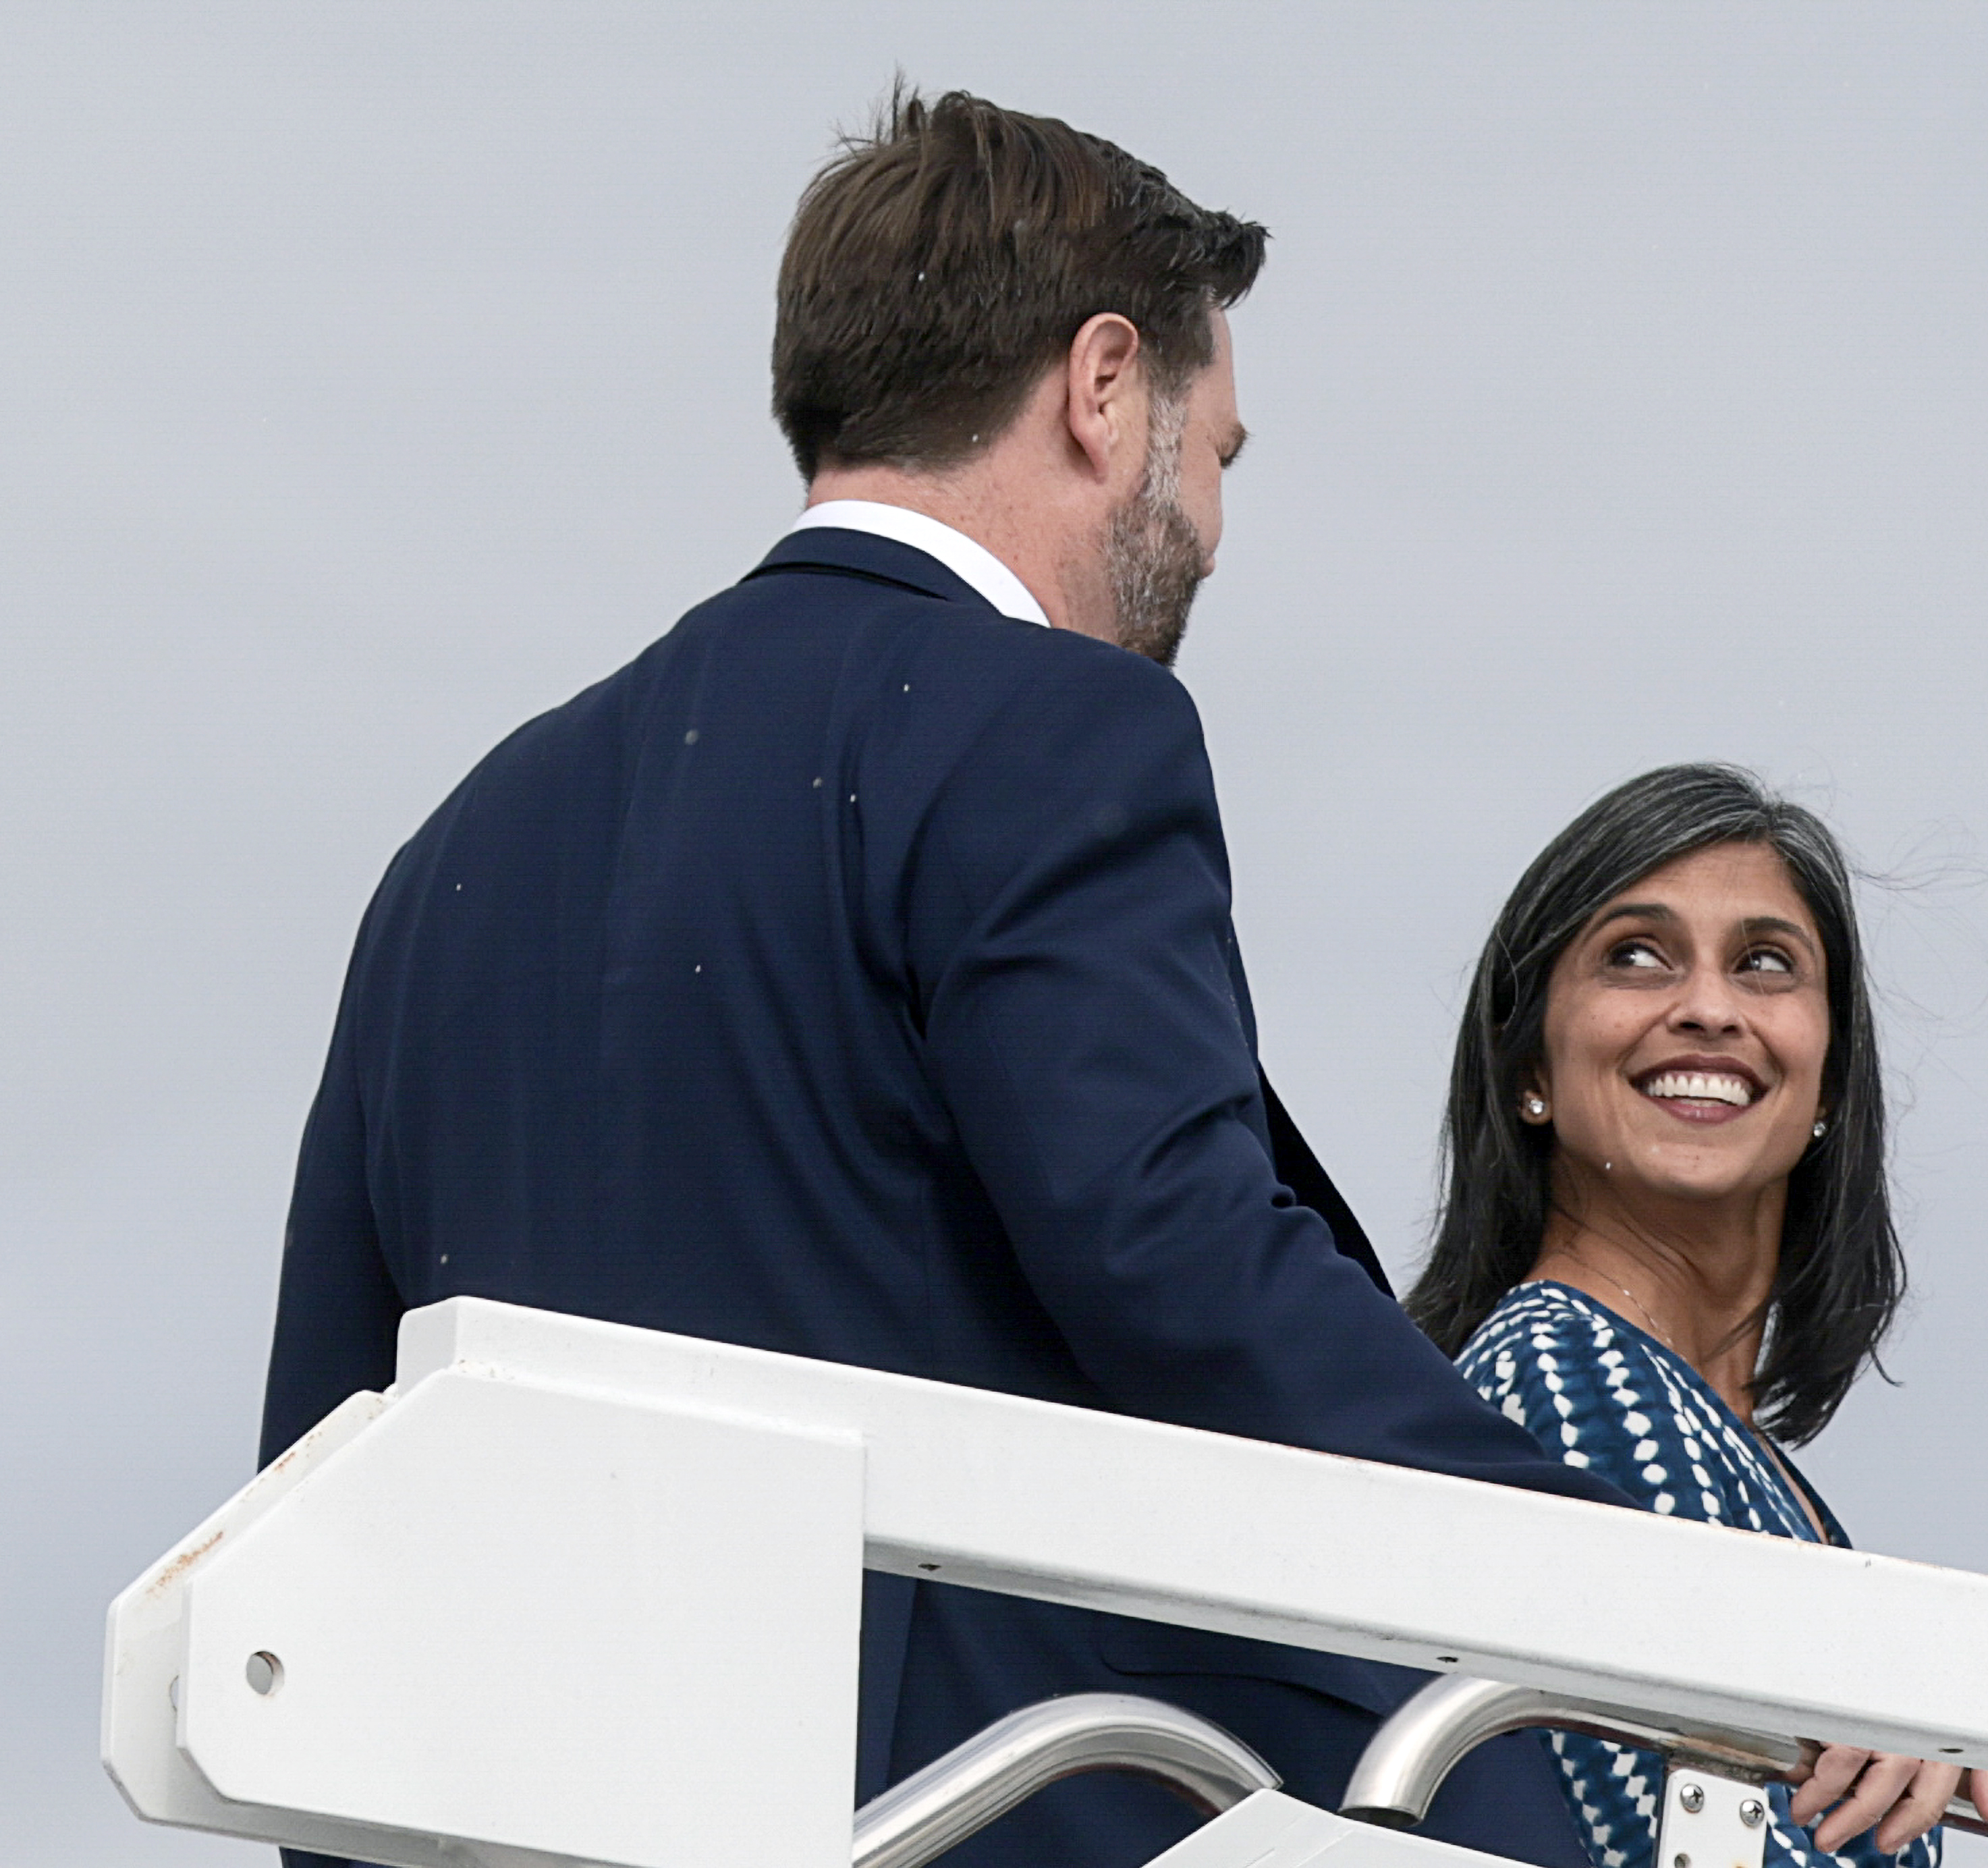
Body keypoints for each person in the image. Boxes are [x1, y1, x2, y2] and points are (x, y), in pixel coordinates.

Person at [258, 88, 1627, 1868]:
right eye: (1215, 451)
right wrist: (1633, 1577)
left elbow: (326, 1472)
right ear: (1101, 385)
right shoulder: (1048, 731)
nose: (1210, 524)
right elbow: (1178, 1265)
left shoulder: (456, 851)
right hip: (975, 1813)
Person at [1410, 765, 1988, 1868]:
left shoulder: (1739, 1463)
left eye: (1765, 964)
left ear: (1828, 1080)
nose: (1705, 1007)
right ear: (1529, 1066)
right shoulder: (1563, 1384)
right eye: (1634, 956)